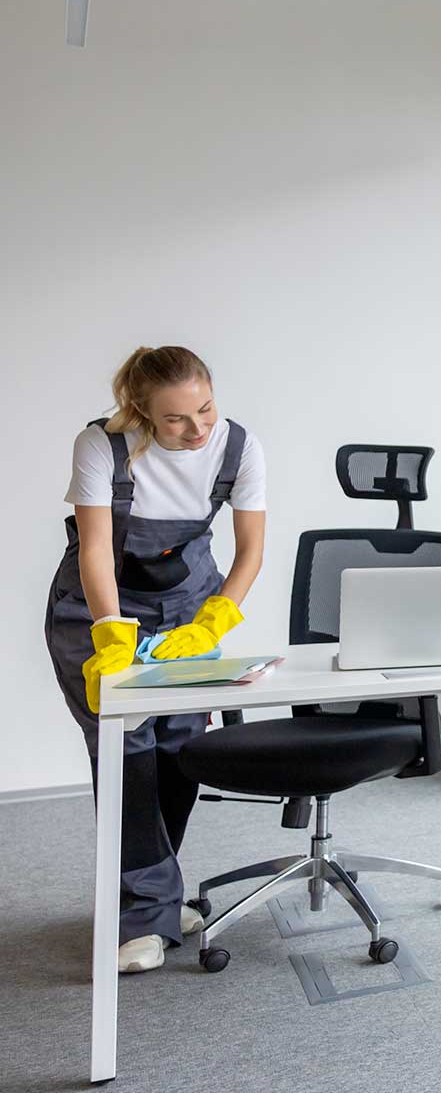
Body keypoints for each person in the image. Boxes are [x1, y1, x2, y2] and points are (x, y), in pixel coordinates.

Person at [45, 346, 266, 973]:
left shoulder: (239, 447)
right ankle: (145, 915)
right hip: (99, 609)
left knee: (180, 749)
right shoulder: (101, 447)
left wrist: (213, 622)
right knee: (128, 752)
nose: (197, 430)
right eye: (175, 419)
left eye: (206, 409)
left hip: (190, 610)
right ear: (142, 411)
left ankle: (153, 898)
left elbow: (250, 550)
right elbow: (96, 550)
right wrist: (111, 634)